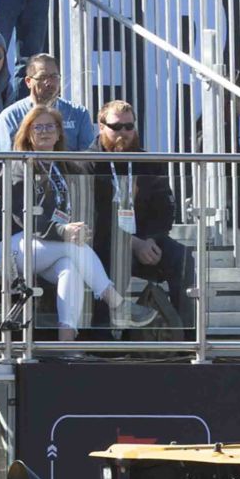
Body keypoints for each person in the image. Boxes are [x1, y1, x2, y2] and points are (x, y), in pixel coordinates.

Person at [0, 105, 150, 339]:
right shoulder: (19, 164)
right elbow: (23, 214)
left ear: (59, 133)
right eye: (38, 127)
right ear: (27, 133)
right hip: (15, 247)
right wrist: (62, 231)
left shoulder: (65, 165)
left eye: (51, 126)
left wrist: (78, 228)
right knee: (73, 247)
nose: (45, 131)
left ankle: (66, 343)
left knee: (70, 270)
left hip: (52, 247)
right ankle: (118, 303)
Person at [94, 99, 194, 326]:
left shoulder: (148, 161)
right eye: (116, 127)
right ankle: (102, 336)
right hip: (105, 243)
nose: (124, 133)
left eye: (129, 126)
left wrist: (149, 239)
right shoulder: (89, 162)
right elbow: (93, 216)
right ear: (101, 126)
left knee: (183, 259)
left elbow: (166, 210)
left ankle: (185, 333)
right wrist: (132, 243)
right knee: (115, 259)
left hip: (146, 241)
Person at [0, 53, 97, 152]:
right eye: (42, 77)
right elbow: (4, 163)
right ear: (28, 82)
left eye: (54, 77)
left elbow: (88, 161)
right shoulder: (10, 116)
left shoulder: (78, 114)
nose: (49, 83)